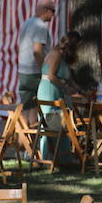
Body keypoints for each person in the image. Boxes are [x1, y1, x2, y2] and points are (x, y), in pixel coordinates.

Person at [36, 31, 82, 161]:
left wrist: (78, 89)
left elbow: (67, 77)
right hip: (49, 91)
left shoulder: (63, 56)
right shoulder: (56, 54)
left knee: (60, 123)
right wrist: (65, 87)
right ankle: (51, 157)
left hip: (56, 91)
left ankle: (61, 156)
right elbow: (51, 75)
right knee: (51, 123)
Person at [16, 0, 55, 107]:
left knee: (27, 106)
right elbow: (37, 51)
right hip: (35, 72)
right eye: (53, 11)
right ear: (46, 10)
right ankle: (32, 124)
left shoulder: (28, 22)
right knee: (36, 107)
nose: (53, 15)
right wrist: (45, 71)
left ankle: (25, 124)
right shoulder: (40, 26)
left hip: (23, 71)